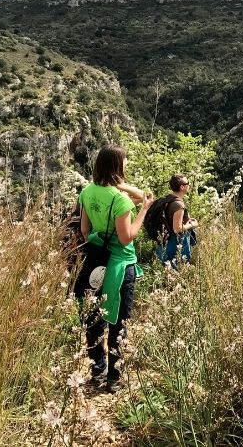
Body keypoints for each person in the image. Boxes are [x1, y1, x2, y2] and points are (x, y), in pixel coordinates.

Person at [78, 144, 154, 393]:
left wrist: (115, 183)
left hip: (96, 263)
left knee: (95, 317)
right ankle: (114, 377)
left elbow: (85, 232)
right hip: (121, 265)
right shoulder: (120, 201)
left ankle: (96, 371)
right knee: (118, 321)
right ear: (118, 167)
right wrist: (143, 210)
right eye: (125, 162)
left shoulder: (87, 192)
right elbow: (127, 236)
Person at [155, 174, 199, 267]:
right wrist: (192, 225)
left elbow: (170, 218)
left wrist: (186, 220)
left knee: (168, 270)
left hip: (166, 241)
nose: (189, 185)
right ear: (182, 187)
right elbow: (177, 229)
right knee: (177, 269)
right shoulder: (179, 205)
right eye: (188, 183)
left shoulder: (169, 199)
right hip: (176, 243)